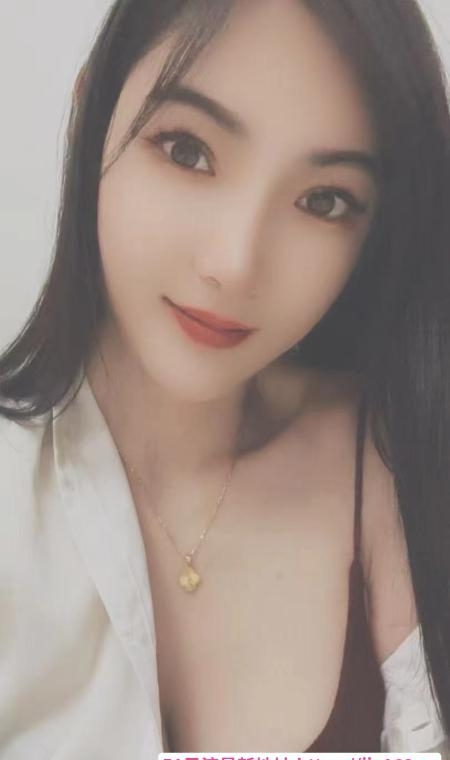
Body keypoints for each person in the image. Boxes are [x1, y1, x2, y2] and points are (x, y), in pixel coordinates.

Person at [1, 0, 449, 755]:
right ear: (89, 118)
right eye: (187, 151)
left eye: (324, 201)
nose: (235, 264)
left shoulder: (397, 458)